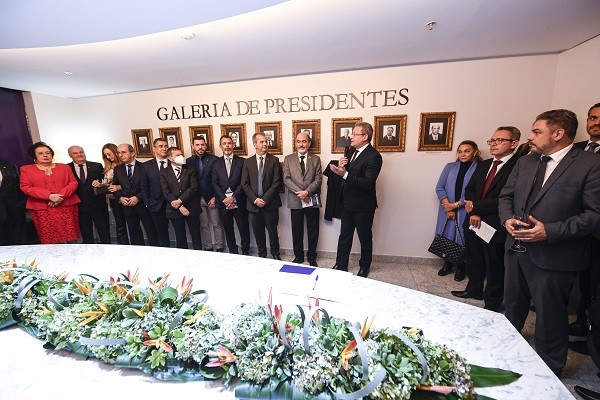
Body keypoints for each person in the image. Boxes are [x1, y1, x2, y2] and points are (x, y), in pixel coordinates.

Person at [499, 109, 600, 376]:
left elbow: (594, 215)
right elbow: (506, 197)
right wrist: (507, 219)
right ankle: (505, 349)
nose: (530, 136)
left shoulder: (590, 164)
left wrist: (549, 231)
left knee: (550, 316)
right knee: (513, 306)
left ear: (558, 133)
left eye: (536, 131)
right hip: (515, 248)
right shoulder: (526, 162)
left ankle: (548, 370)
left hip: (555, 254)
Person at [451, 128, 521, 310]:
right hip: (474, 220)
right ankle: (474, 289)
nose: (494, 144)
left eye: (500, 140)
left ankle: (493, 302)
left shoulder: (519, 165)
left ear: (514, 143)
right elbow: (470, 189)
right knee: (474, 257)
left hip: (495, 222)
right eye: (492, 140)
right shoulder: (484, 164)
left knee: (494, 264)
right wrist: (473, 211)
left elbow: (508, 197)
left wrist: (476, 207)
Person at [330, 122, 383, 277]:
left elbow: (367, 183)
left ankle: (364, 266)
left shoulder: (374, 156)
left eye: (354, 134)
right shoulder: (351, 151)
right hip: (347, 203)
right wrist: (342, 168)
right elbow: (348, 173)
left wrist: (344, 174)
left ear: (365, 136)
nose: (351, 136)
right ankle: (341, 265)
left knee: (365, 237)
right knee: (344, 235)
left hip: (363, 206)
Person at [570, 102, 600, 337]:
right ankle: (580, 322)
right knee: (579, 281)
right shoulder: (574, 149)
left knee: (595, 282)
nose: (595, 122)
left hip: (596, 230)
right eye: (592, 117)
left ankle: (592, 331)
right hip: (569, 229)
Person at [433, 140, 480, 280]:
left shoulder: (479, 168)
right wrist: (448, 206)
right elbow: (439, 187)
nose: (463, 154)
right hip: (446, 208)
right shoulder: (450, 166)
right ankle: (447, 264)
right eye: (460, 151)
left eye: (467, 151)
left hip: (466, 208)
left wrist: (455, 205)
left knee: (463, 236)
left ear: (475, 152)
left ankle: (462, 266)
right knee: (447, 234)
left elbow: (476, 191)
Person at [19, 142, 81, 244]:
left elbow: (73, 183)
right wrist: (49, 196)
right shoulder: (26, 169)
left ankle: (74, 257)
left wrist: (59, 196)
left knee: (71, 237)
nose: (45, 155)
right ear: (34, 156)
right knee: (50, 238)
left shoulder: (65, 167)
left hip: (66, 205)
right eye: (40, 153)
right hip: (42, 208)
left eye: (48, 152)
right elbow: (26, 187)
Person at [283, 131, 322, 266]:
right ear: (295, 143)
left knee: (313, 230)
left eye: (304, 141)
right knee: (297, 230)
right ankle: (298, 256)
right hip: (295, 200)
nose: (301, 144)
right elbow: (286, 179)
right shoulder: (288, 159)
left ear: (309, 143)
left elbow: (318, 179)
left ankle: (312, 257)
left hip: (311, 199)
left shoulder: (316, 159)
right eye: (298, 141)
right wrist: (300, 192)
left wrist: (307, 192)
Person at [241, 132, 282, 259]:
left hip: (270, 204)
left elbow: (276, 183)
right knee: (258, 233)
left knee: (272, 232)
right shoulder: (248, 162)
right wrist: (255, 199)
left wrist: (264, 199)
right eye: (261, 142)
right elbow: (244, 183)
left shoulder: (274, 160)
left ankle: (275, 254)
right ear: (255, 144)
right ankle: (262, 255)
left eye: (266, 141)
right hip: (254, 205)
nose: (265, 144)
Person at [112, 144, 158, 246]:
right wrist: (120, 197)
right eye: (118, 153)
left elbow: (150, 186)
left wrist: (138, 197)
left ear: (132, 153)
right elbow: (114, 187)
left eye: (123, 152)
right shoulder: (118, 169)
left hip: (143, 205)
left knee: (151, 231)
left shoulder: (144, 167)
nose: (120, 155)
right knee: (134, 233)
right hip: (127, 206)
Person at [212, 135, 250, 255]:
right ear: (220, 146)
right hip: (223, 202)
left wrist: (233, 198)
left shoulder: (242, 161)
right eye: (224, 143)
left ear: (233, 145)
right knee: (228, 229)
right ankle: (233, 251)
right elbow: (214, 183)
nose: (227, 146)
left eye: (229, 143)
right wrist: (225, 199)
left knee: (243, 228)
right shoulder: (215, 163)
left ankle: (245, 251)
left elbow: (244, 182)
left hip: (238, 200)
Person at [67, 145, 111, 244]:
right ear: (70, 155)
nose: (79, 154)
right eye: (75, 153)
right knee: (86, 236)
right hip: (80, 207)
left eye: (81, 152)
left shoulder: (97, 166)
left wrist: (99, 183)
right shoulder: (66, 168)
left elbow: (104, 183)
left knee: (104, 233)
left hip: (98, 206)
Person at [187, 136, 224, 251]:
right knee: (204, 225)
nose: (200, 147)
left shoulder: (214, 159)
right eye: (197, 145)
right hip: (197, 199)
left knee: (216, 223)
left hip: (212, 198)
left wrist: (214, 197)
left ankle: (219, 246)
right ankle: (208, 247)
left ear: (205, 146)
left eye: (202, 144)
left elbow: (218, 180)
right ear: (193, 146)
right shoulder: (189, 161)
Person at [160, 147, 201, 249]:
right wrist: (179, 206)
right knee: (180, 237)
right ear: (170, 158)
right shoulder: (164, 172)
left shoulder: (190, 169)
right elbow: (166, 192)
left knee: (196, 235)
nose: (181, 157)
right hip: (175, 209)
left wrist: (180, 201)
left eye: (181, 154)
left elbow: (193, 188)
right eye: (177, 155)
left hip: (191, 207)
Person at [92, 143, 129, 245]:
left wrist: (120, 187)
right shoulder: (107, 167)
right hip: (113, 199)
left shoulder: (125, 164)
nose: (109, 157)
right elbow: (108, 183)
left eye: (110, 154)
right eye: (106, 155)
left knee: (131, 223)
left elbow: (131, 181)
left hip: (126, 196)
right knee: (119, 224)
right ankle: (123, 246)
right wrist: (99, 184)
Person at [140, 138, 171, 247]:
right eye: (161, 146)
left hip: (173, 204)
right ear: (154, 148)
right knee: (160, 234)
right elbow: (143, 187)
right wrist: (148, 203)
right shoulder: (146, 166)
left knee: (179, 233)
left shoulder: (173, 162)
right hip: (155, 205)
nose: (164, 148)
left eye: (166, 146)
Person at [0, 159, 27, 245]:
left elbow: (19, 185)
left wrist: (21, 204)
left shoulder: (9, 165)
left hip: (14, 210)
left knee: (19, 242)